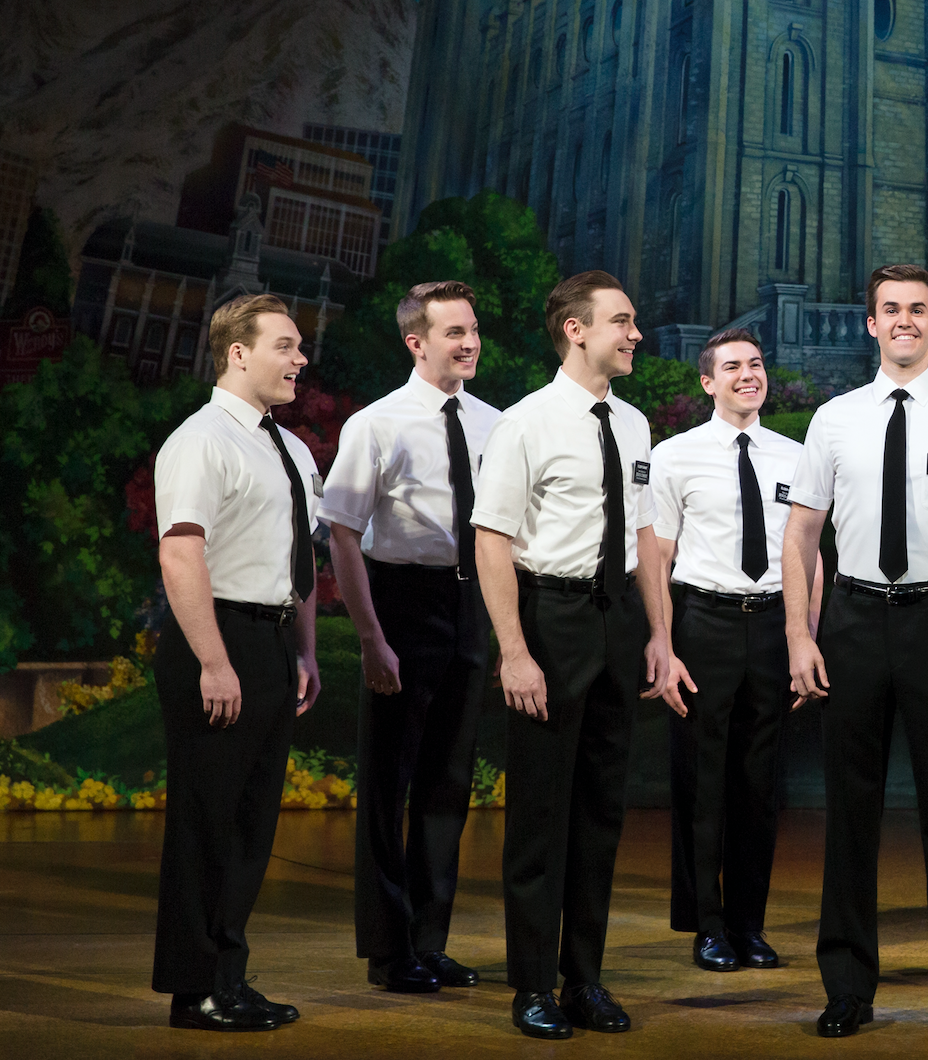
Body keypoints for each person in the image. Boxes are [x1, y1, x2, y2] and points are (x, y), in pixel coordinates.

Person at [782, 265, 928, 1039]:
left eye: (918, 309)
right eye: (890, 309)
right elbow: (801, 533)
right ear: (871, 323)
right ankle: (847, 988)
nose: (904, 321)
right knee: (849, 813)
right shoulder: (833, 420)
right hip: (852, 621)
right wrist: (799, 634)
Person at [470, 271, 691, 1040]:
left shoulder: (633, 424)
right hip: (550, 619)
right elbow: (492, 540)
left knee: (600, 814)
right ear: (576, 329)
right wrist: (514, 651)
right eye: (622, 322)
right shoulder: (525, 423)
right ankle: (532, 985)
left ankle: (584, 979)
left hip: (616, 620)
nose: (636, 335)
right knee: (540, 814)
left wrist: (658, 634)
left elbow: (644, 537)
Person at [151, 293, 323, 1030]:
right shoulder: (202, 440)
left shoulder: (291, 449)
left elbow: (300, 558)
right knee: (206, 824)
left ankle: (229, 977)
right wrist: (213, 661)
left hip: (272, 640)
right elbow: (180, 552)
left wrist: (304, 649)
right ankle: (194, 991)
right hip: (218, 636)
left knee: (251, 826)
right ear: (238, 353)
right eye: (285, 346)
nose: (301, 359)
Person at [324, 281, 499, 996]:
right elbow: (341, 532)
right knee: (388, 784)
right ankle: (388, 949)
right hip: (401, 600)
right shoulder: (377, 423)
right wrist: (371, 638)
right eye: (455, 332)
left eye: (473, 329)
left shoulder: (494, 423)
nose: (470, 342)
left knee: (447, 783)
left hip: (471, 602)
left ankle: (431, 941)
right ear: (416, 342)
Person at [649, 327, 823, 973]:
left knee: (759, 782)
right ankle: (707, 925)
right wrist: (663, 643)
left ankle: (749, 925)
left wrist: (806, 637)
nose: (748, 375)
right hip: (704, 624)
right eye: (732, 367)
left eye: (755, 364)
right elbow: (657, 557)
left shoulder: (796, 457)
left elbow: (811, 555)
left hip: (775, 625)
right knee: (701, 781)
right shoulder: (675, 456)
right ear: (707, 382)